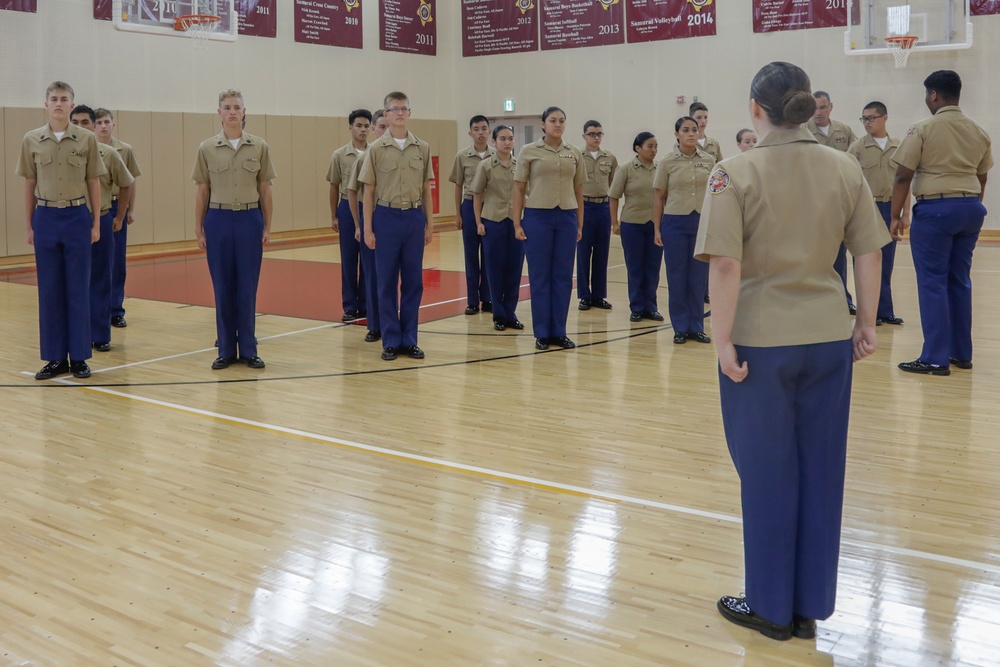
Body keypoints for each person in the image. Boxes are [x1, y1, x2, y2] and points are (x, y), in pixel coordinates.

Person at [695, 61, 889, 642]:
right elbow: (869, 253)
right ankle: (809, 604)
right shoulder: (844, 165)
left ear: (756, 108)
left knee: (766, 473)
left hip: (761, 343)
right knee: (821, 471)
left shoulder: (734, 173)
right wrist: (867, 323)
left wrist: (722, 340)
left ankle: (771, 607)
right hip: (829, 336)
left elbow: (726, 264)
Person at [890, 70, 992, 375]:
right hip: (970, 208)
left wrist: (895, 215)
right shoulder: (978, 131)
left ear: (933, 95)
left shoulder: (923, 129)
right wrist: (970, 205)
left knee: (932, 282)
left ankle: (935, 357)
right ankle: (961, 353)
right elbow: (982, 175)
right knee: (959, 281)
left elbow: (903, 175)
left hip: (935, 210)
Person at [17, 81, 106, 380]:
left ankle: (79, 356)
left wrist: (95, 222)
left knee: (78, 288)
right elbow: (29, 183)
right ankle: (56, 358)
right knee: (50, 291)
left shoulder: (86, 139)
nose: (58, 103)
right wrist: (29, 224)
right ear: (45, 104)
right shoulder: (31, 140)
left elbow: (94, 181)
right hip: (45, 217)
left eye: (63, 99)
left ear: (71, 105)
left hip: (76, 216)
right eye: (53, 99)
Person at [192, 89, 275, 370]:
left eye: (236, 107)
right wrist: (199, 229)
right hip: (218, 220)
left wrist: (267, 226)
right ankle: (226, 350)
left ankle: (249, 349)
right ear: (219, 112)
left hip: (250, 219)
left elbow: (265, 189)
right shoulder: (206, 148)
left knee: (248, 287)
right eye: (226, 107)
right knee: (223, 287)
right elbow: (203, 190)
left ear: (243, 111)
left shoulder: (259, 146)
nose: (231, 112)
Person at [359, 91, 435, 361]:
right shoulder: (376, 149)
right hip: (386, 217)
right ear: (386, 115)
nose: (400, 113)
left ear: (410, 113)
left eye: (404, 108)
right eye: (394, 109)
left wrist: (429, 223)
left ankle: (410, 339)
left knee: (414, 281)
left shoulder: (422, 148)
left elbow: (426, 188)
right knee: (387, 281)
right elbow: (368, 191)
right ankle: (390, 339)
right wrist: (367, 228)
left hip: (413, 217)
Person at [511, 106, 587, 351]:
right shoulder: (529, 151)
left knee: (563, 277)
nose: (558, 124)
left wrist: (579, 223)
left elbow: (579, 191)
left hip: (566, 218)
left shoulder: (574, 152)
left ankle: (559, 332)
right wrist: (516, 222)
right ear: (543, 124)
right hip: (537, 217)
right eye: (553, 120)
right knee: (540, 276)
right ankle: (542, 332)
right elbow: (519, 189)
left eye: (562, 121)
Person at [69, 105, 134, 354]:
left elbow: (127, 183)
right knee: (75, 281)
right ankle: (77, 334)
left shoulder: (108, 153)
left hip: (101, 219)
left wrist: (120, 215)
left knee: (101, 278)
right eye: (76, 122)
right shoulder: (64, 155)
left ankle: (100, 334)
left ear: (93, 125)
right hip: (71, 220)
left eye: (86, 122)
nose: (81, 126)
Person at [652, 117, 715, 344]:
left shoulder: (709, 160)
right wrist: (657, 229)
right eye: (685, 130)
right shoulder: (667, 162)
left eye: (694, 130)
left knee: (698, 278)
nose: (691, 134)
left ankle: (696, 326)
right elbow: (659, 197)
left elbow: (716, 194)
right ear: (677, 134)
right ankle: (680, 326)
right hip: (675, 224)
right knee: (677, 276)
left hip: (701, 223)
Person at [847, 102, 905, 327]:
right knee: (864, 260)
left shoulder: (898, 146)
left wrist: (903, 213)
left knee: (887, 261)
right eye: (864, 119)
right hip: (866, 208)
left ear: (885, 118)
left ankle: (885, 311)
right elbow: (849, 179)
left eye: (871, 118)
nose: (867, 123)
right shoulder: (857, 148)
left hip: (890, 207)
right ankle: (868, 313)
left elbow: (905, 182)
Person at [809, 90, 860, 313]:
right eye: (814, 108)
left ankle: (843, 298)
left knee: (839, 254)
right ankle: (816, 300)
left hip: (839, 200)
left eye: (822, 107)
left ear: (831, 107)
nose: (818, 112)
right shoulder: (804, 131)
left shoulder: (844, 130)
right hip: (813, 201)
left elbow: (855, 159)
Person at [471, 125, 524, 331]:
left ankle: (510, 313)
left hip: (515, 222)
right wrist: (478, 222)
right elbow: (477, 194)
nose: (507, 142)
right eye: (502, 139)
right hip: (493, 221)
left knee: (514, 269)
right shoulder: (486, 166)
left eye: (510, 138)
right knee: (494, 270)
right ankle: (499, 315)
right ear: (494, 142)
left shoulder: (519, 165)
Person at [93, 108, 141, 329]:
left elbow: (129, 182)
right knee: (95, 262)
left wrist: (129, 210)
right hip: (94, 206)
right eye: (99, 122)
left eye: (107, 122)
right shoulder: (87, 149)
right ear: (93, 126)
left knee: (116, 261)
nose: (103, 126)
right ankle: (95, 309)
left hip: (115, 204)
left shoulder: (124, 149)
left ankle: (115, 310)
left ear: (114, 125)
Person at [609, 132, 662, 323]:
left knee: (653, 267)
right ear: (638, 148)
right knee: (635, 267)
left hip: (655, 225)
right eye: (650, 146)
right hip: (632, 225)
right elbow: (614, 196)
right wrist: (614, 222)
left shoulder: (661, 168)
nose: (654, 150)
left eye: (656, 146)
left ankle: (651, 306)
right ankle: (637, 306)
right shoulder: (625, 169)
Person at [347, 109, 390, 343]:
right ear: (374, 129)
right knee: (372, 275)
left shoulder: (398, 155)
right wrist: (359, 225)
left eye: (388, 126)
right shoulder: (364, 157)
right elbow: (352, 191)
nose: (385, 131)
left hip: (393, 221)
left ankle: (392, 322)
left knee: (391, 276)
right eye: (381, 127)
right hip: (370, 221)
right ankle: (375, 325)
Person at [327, 108, 372, 322]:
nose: (363, 130)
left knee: (368, 257)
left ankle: (365, 303)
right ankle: (349, 305)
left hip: (370, 207)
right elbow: (334, 186)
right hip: (346, 208)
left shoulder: (376, 152)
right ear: (350, 128)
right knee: (349, 258)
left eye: (366, 126)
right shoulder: (339, 155)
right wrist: (334, 215)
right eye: (359, 125)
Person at [449, 115, 494, 315]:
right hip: (468, 206)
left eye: (484, 128)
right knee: (471, 255)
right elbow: (458, 185)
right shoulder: (462, 156)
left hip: (491, 208)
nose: (481, 132)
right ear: (470, 133)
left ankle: (488, 298)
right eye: (476, 129)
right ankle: (472, 301)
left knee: (489, 254)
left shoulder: (496, 155)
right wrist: (458, 213)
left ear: (489, 132)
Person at [577, 120, 618, 311]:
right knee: (584, 252)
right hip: (584, 206)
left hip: (603, 206)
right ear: (584, 136)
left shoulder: (609, 157)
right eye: (592, 134)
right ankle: (584, 295)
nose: (596, 138)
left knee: (602, 252)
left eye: (599, 134)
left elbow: (613, 183)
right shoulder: (577, 156)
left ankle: (599, 295)